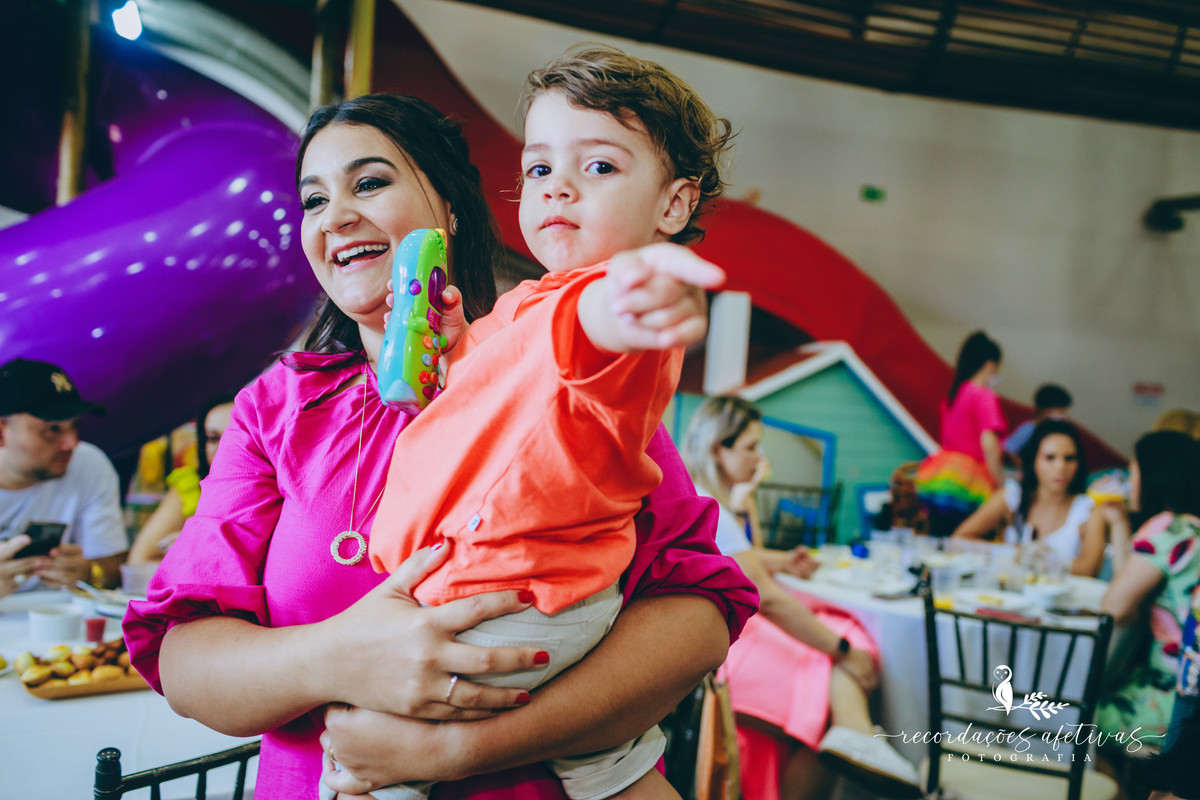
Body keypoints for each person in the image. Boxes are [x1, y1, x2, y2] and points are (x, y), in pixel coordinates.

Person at [123, 89, 758, 800]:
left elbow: (698, 615)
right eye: (312, 200)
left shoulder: (548, 366)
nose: (336, 216)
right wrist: (343, 656)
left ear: (449, 209)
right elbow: (185, 664)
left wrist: (457, 749)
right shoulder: (274, 410)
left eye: (369, 183)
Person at [355, 46, 730, 800]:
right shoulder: (525, 303)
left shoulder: (597, 303)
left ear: (673, 206)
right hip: (541, 592)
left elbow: (597, 328)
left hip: (505, 598)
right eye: (538, 168)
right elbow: (502, 408)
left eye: (598, 168)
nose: (557, 185)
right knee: (610, 770)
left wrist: (640, 296)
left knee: (372, 754)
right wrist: (450, 346)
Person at [682, 396, 921, 800]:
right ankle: (855, 732)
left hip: (721, 634)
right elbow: (767, 598)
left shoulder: (708, 498)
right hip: (723, 647)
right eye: (751, 446)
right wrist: (843, 651)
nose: (760, 456)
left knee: (834, 634)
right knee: (838, 644)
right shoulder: (714, 509)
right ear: (717, 447)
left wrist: (777, 551)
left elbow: (743, 556)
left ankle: (854, 732)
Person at [1096, 430, 1200, 756]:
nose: (1129, 482)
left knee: (1064, 715)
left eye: (1132, 470)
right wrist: (1118, 521)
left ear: (1153, 474)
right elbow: (1134, 584)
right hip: (1186, 693)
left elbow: (1115, 606)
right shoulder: (1191, 528)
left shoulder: (1169, 526)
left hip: (1176, 699)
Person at [0, 357, 128, 588]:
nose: (71, 443)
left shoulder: (89, 464)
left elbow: (115, 567)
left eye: (75, 425)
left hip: (61, 618)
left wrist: (90, 572)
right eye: (52, 429)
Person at [952, 419, 1126, 576]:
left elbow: (1088, 569)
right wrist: (1015, 552)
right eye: (1050, 458)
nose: (1060, 467)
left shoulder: (1087, 508)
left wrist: (1041, 561)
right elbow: (959, 539)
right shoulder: (1012, 496)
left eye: (1069, 458)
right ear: (1033, 460)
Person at [915, 331, 1007, 537]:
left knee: (940, 540)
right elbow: (989, 444)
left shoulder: (953, 395)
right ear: (990, 365)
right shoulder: (984, 395)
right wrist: (1001, 485)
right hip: (969, 481)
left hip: (941, 476)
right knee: (967, 540)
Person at [126, 397, 236, 564]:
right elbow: (139, 561)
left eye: (234, 436)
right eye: (213, 438)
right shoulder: (190, 486)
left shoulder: (280, 489)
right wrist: (188, 553)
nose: (222, 448)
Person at [1003, 383, 1071, 460]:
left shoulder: (1059, 431)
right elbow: (1009, 449)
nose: (1062, 417)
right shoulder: (1029, 428)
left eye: (1064, 413)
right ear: (1045, 410)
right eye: (1060, 412)